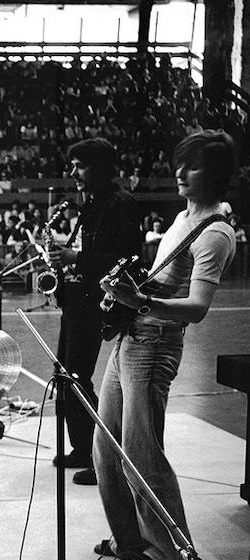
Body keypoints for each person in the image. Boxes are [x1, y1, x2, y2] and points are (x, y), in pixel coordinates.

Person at [93, 130, 237, 560]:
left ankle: (173, 551)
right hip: (131, 338)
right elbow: (160, 281)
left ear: (214, 175)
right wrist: (126, 291)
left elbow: (196, 308)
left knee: (142, 456)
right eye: (180, 162)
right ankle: (131, 543)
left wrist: (142, 300)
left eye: (191, 165)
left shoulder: (216, 234)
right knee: (106, 450)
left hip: (156, 344)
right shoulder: (182, 218)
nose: (179, 172)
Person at [48, 138, 140, 486]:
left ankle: (99, 457)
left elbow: (127, 259)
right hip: (76, 302)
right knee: (66, 378)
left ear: (101, 167)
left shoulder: (121, 203)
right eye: (72, 165)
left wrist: (74, 259)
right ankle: (82, 448)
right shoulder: (92, 204)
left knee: (77, 378)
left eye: (80, 165)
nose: (73, 173)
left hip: (95, 306)